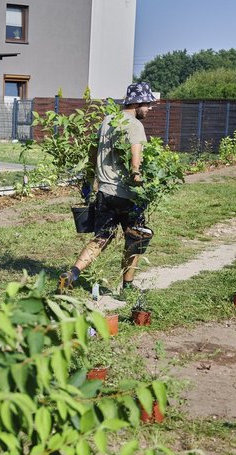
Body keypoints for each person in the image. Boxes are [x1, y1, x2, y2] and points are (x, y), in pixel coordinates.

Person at [58, 81, 157, 295]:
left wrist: (89, 179)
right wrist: (142, 184)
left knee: (101, 237)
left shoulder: (108, 121)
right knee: (135, 237)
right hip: (127, 195)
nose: (149, 109)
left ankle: (73, 273)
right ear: (138, 103)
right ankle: (128, 287)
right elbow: (135, 161)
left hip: (105, 191)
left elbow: (94, 151)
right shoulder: (135, 126)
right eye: (148, 104)